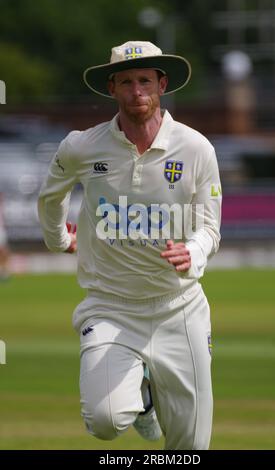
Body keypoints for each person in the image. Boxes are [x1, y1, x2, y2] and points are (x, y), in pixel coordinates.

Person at [38, 41, 222, 450]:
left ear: (162, 84)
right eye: (126, 82)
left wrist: (191, 253)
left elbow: (210, 227)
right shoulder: (82, 146)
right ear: (111, 88)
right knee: (104, 421)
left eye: (144, 81)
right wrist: (59, 239)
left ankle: (150, 404)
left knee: (190, 447)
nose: (136, 91)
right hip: (110, 305)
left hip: (180, 308)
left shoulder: (195, 148)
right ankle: (142, 403)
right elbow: (50, 198)